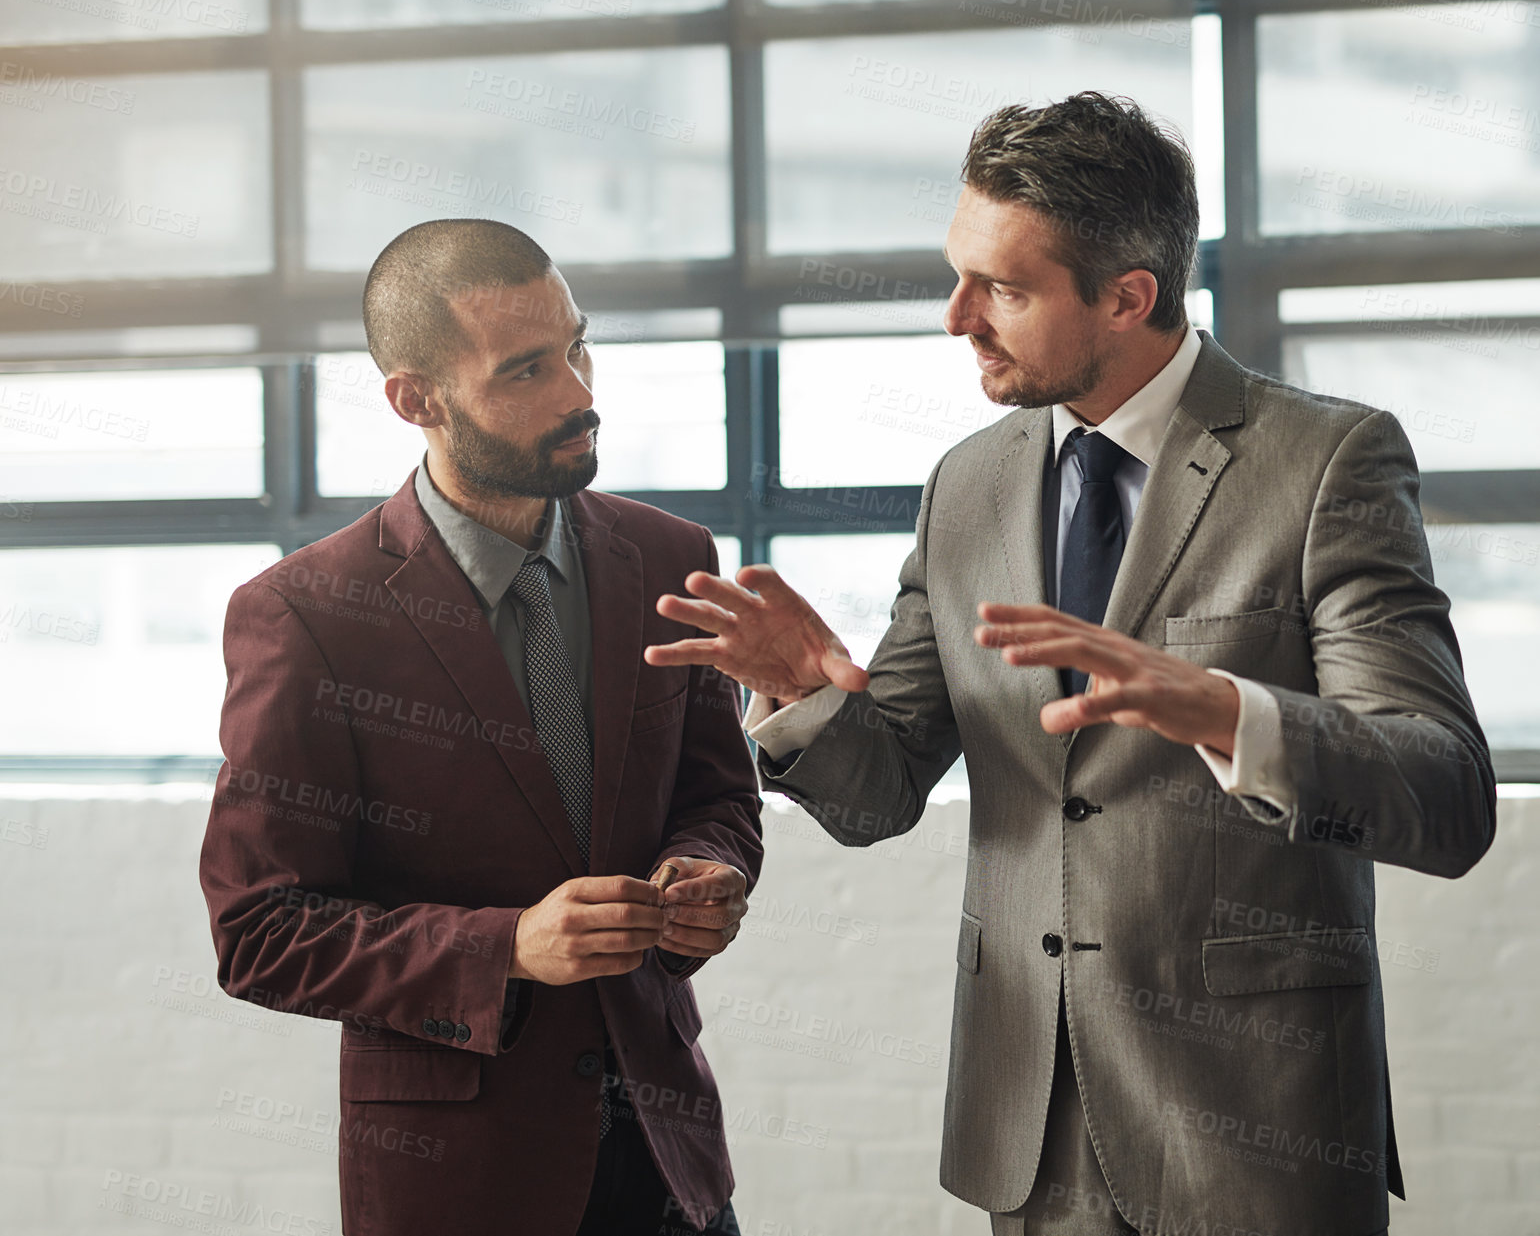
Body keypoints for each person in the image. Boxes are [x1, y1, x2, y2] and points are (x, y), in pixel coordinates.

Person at [645, 93, 1496, 1236]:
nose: (957, 318)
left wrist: (1225, 711)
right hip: (1030, 1128)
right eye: (959, 275)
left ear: (1128, 296)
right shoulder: (968, 485)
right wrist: (801, 695)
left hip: (1256, 1124)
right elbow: (882, 787)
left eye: (1003, 287)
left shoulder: (1325, 461)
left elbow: (1442, 792)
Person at [199, 218, 761, 1236]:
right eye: (527, 370)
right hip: (459, 1185)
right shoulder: (306, 612)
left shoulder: (673, 555)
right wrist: (507, 947)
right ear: (417, 399)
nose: (580, 392)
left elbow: (717, 796)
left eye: (578, 345)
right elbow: (259, 932)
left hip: (672, 1162)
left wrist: (705, 868)